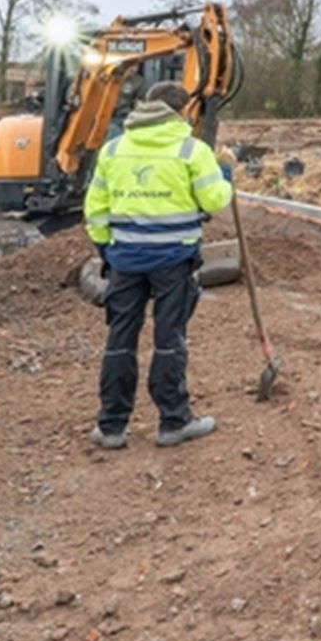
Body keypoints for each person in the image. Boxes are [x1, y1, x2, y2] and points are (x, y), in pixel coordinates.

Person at [82, 80, 234, 449]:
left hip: (125, 259)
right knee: (169, 339)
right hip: (173, 260)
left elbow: (95, 210)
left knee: (120, 339)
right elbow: (214, 200)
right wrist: (225, 175)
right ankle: (173, 420)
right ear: (182, 111)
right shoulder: (191, 150)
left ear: (145, 107)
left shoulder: (113, 149)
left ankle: (112, 426)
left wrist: (107, 252)